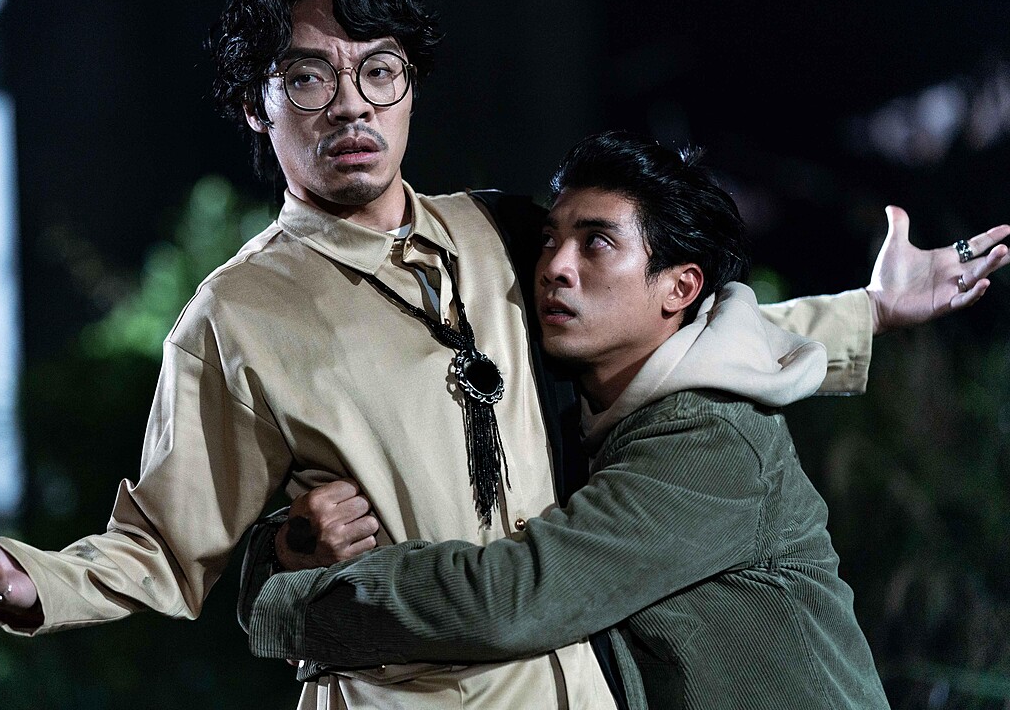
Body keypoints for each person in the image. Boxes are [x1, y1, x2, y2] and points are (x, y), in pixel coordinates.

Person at [0, 0, 1006, 710]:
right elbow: (166, 544)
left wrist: (872, 309)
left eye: (379, 72)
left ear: (412, 85)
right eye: (308, 79)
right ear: (256, 107)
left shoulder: (506, 231)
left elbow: (672, 322)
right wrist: (29, 579)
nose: (352, 105)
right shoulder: (233, 316)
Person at [243, 131, 893, 708]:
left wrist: (284, 607)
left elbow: (514, 598)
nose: (555, 266)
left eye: (597, 244)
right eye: (551, 239)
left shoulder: (711, 437)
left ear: (680, 288)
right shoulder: (592, 408)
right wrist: (284, 548)